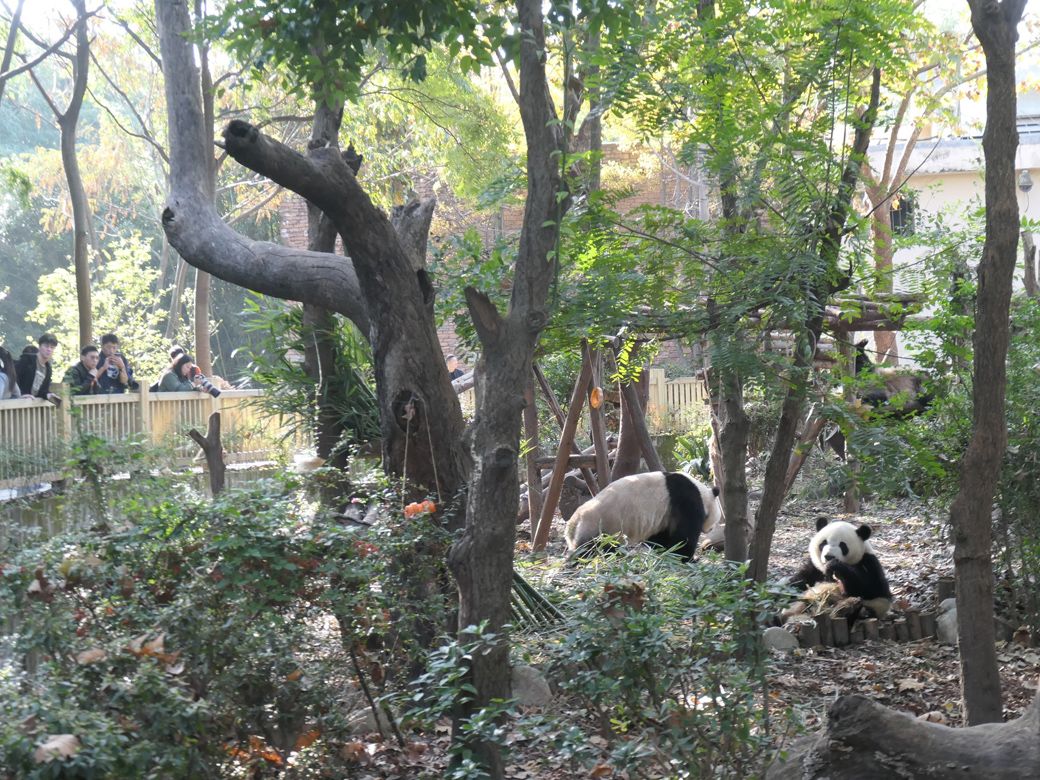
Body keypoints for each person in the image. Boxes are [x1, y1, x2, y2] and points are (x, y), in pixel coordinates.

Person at [16, 333, 60, 401]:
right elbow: (13, 378)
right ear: (39, 346)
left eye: (52, 347)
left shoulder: (48, 369)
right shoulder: (27, 360)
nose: (49, 349)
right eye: (46, 346)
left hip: (32, 404)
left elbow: (42, 391)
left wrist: (48, 394)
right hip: (18, 401)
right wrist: (20, 394)